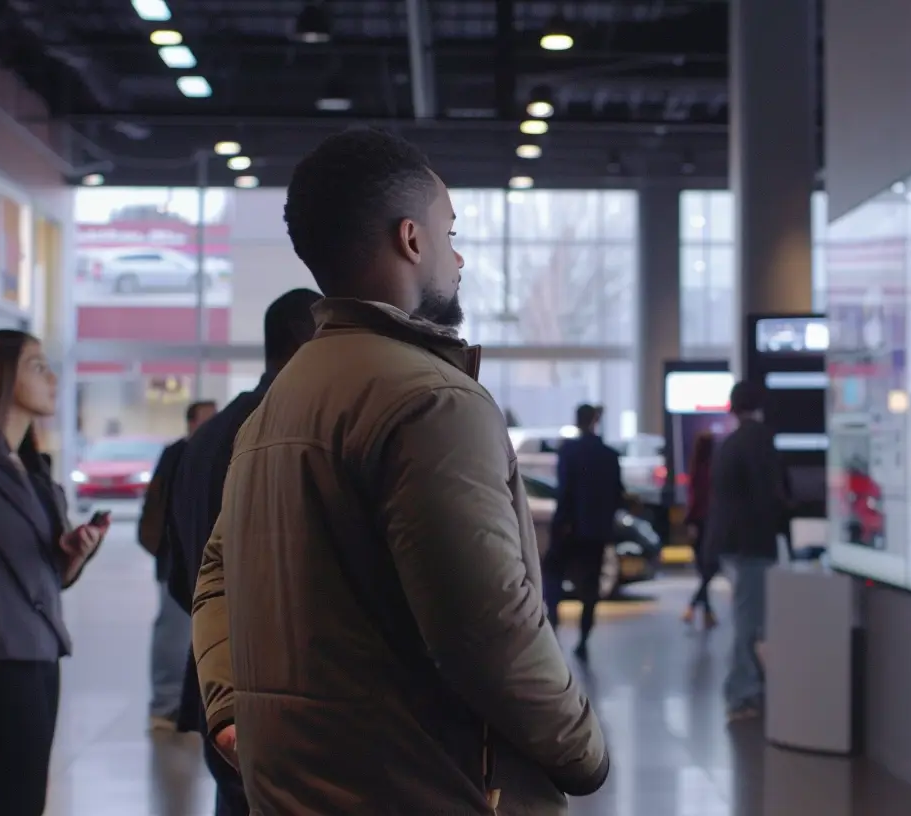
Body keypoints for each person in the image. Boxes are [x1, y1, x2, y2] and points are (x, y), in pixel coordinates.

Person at [191, 127, 608, 814]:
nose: (460, 255)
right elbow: (486, 627)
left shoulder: (283, 398)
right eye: (450, 231)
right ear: (412, 239)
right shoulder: (430, 400)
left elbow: (216, 578)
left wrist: (231, 707)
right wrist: (583, 750)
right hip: (426, 786)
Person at [165, 289, 321, 816]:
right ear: (309, 338)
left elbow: (174, 570)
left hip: (215, 681)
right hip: (279, 692)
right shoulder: (292, 428)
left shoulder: (205, 437)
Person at [0, 330, 109, 815]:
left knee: (22, 794)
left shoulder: (33, 473)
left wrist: (73, 556)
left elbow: (47, 575)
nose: (52, 378)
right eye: (37, 366)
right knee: (11, 797)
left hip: (37, 652)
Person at [705, 381, 789, 723]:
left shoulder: (729, 445)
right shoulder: (761, 443)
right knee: (750, 621)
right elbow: (771, 495)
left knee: (747, 617)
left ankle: (749, 687)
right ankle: (742, 693)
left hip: (729, 543)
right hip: (754, 543)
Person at [138, 399, 215, 731]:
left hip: (201, 556)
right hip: (176, 557)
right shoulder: (177, 455)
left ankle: (190, 706)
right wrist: (162, 550)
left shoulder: (209, 452)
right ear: (191, 423)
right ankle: (165, 705)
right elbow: (157, 507)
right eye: (207, 419)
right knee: (174, 630)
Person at [544, 403, 625, 658]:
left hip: (569, 530)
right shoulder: (609, 455)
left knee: (553, 576)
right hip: (596, 531)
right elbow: (616, 495)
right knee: (590, 588)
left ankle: (553, 627)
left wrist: (562, 523)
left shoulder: (569, 451)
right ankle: (583, 640)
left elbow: (564, 491)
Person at [681, 430, 718, 629]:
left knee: (705, 570)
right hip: (710, 523)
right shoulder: (713, 471)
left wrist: (690, 522)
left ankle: (705, 612)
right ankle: (696, 608)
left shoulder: (695, 469)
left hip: (698, 523)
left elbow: (693, 499)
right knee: (709, 570)